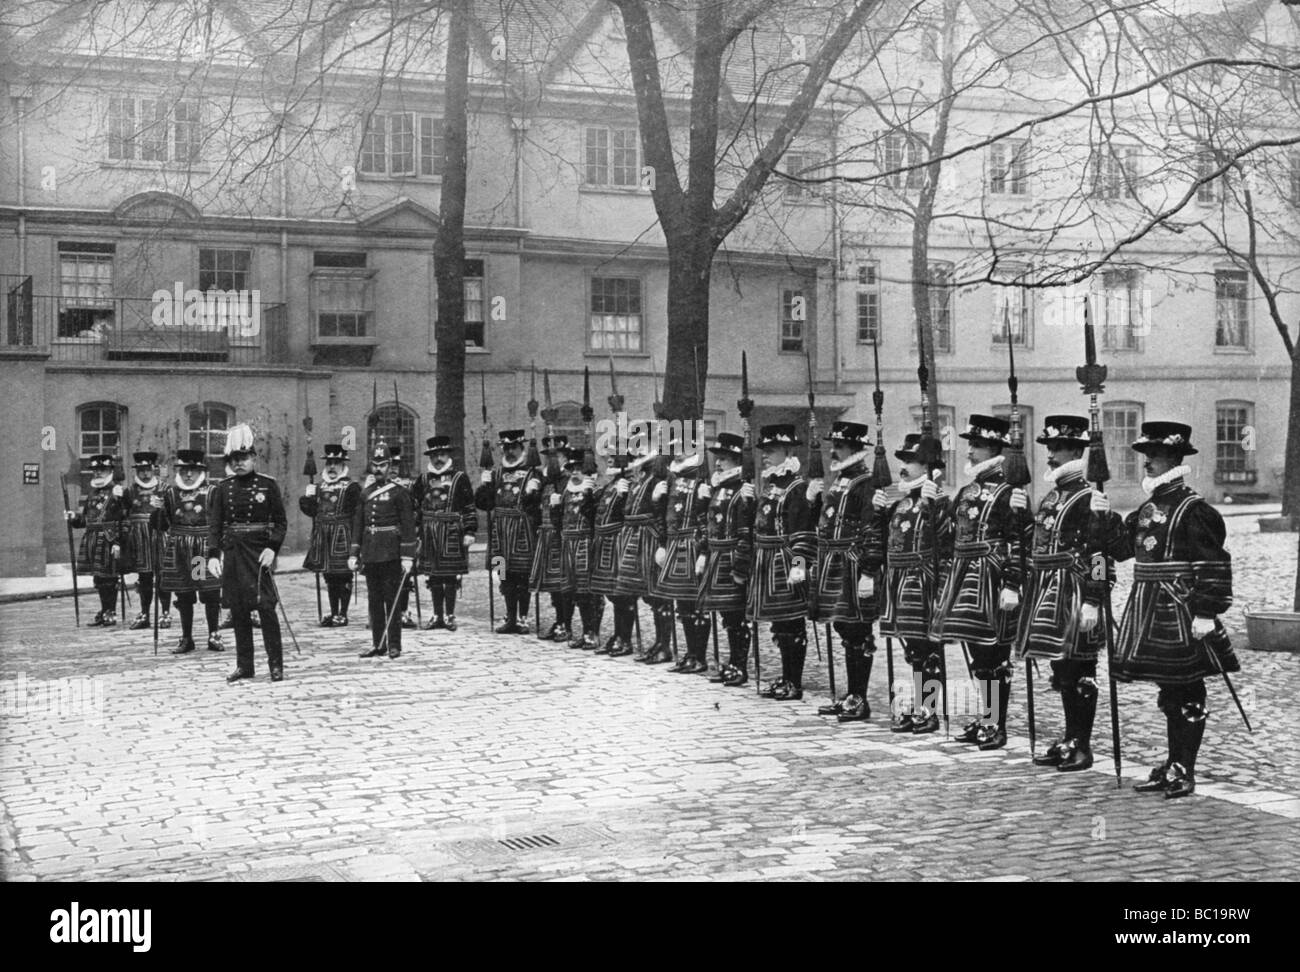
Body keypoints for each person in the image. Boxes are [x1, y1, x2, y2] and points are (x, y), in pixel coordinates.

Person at [1093, 421, 1238, 799]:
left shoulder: (1194, 510)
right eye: (1145, 455)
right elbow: (1122, 550)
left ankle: (1183, 768)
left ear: (1175, 458)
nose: (1147, 463)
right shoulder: (1148, 507)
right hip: (1148, 606)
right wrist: (1103, 517)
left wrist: (1207, 611)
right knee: (1170, 688)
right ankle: (1173, 762)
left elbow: (1213, 564)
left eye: (1155, 455)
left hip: (1179, 608)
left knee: (1187, 687)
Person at [1013, 416, 1121, 771]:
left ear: (1077, 451)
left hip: (1075, 592)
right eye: (1049, 448)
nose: (1050, 455)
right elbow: (1038, 540)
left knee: (1081, 669)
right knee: (1062, 669)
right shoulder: (1054, 495)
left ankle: (1082, 745)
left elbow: (1101, 554)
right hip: (1048, 590)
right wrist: (1020, 516)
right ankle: (1070, 738)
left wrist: (1094, 597)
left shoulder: (1089, 497)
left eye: (1057, 449)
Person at [931, 414, 1026, 750]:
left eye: (978, 446)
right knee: (975, 654)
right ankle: (985, 718)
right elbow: (946, 535)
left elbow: (1019, 542)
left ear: (995, 450)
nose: (970, 451)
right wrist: (934, 503)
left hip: (992, 579)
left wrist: (1013, 583)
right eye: (971, 444)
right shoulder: (966, 491)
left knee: (994, 654)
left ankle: (995, 725)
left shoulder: (1008, 492)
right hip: (963, 577)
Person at [875, 433, 952, 735]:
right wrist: (878, 514)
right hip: (900, 584)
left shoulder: (941, 503)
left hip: (926, 583)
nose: (904, 468)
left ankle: (929, 710)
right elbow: (885, 543)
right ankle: (922, 705)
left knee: (929, 650)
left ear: (929, 467)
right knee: (915, 651)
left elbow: (946, 547)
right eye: (904, 461)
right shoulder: (902, 504)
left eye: (912, 462)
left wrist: (943, 590)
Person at [810, 421, 883, 721]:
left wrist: (868, 570)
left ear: (854, 449)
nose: (833, 451)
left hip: (853, 564)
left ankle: (860, 697)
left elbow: (873, 529)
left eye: (839, 446)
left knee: (857, 629)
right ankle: (852, 694)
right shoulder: (840, 481)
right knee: (844, 628)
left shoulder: (866, 482)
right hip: (834, 563)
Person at [206, 424, 288, 683]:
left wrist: (272, 549)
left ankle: (276, 666)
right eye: (234, 460)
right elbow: (215, 526)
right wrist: (211, 555)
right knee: (239, 611)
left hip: (259, 554)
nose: (239, 464)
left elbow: (281, 522)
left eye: (244, 459)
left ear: (254, 458)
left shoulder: (268, 486)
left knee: (265, 609)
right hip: (233, 554)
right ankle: (245, 666)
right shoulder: (223, 488)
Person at [749, 424, 815, 701]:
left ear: (788, 452)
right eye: (764, 451)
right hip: (766, 561)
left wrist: (799, 564)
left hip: (786, 562)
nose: (765, 456)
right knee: (779, 625)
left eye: (771, 451)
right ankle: (786, 678)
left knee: (792, 623)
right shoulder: (771, 484)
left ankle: (794, 682)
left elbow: (804, 529)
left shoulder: (798, 488)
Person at [695, 433, 755, 687]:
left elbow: (746, 533)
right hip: (716, 556)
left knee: (737, 614)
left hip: (732, 558)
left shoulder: (743, 490)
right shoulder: (718, 488)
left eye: (723, 460)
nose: (717, 464)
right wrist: (703, 552)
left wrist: (741, 566)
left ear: (736, 460)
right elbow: (709, 525)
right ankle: (729, 663)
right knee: (725, 614)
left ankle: (739, 665)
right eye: (717, 459)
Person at [349, 442, 418, 659]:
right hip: (371, 554)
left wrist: (408, 556)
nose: (378, 469)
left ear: (389, 466)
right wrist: (354, 552)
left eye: (383, 465)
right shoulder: (365, 493)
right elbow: (358, 524)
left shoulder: (399, 493)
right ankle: (378, 643)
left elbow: (408, 526)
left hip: (391, 553)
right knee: (374, 601)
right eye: (375, 465)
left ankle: (395, 644)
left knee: (393, 600)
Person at [154, 449, 224, 653]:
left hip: (201, 550)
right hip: (178, 549)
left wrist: (215, 552)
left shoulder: (211, 492)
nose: (188, 475)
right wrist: (157, 511)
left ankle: (213, 635)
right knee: (184, 594)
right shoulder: (170, 493)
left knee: (209, 592)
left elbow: (218, 524)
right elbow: (162, 525)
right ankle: (187, 638)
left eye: (193, 470)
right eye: (184, 470)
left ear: (201, 471)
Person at [475, 429, 543, 634]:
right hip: (499, 532)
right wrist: (483, 486)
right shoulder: (496, 474)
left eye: (513, 447)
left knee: (522, 576)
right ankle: (510, 616)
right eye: (506, 448)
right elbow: (484, 505)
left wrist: (534, 492)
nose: (510, 451)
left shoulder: (533, 474)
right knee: (503, 574)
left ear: (522, 448)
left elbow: (538, 506)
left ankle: (522, 617)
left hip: (522, 532)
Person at [658, 434, 712, 675]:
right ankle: (690, 654)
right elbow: (664, 516)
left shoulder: (701, 480)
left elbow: (707, 522)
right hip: (674, 544)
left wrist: (704, 551)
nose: (676, 451)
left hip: (693, 545)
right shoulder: (672, 478)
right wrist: (661, 543)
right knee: (683, 604)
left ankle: (699, 656)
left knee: (697, 604)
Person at [412, 435, 477, 632]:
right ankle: (436, 614)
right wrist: (414, 531)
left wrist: (470, 530)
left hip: (452, 531)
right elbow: (414, 507)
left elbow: (469, 506)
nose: (438, 459)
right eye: (434, 455)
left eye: (441, 454)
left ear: (448, 455)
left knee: (449, 575)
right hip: (429, 532)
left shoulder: (459, 478)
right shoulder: (423, 479)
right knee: (432, 575)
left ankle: (449, 615)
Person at [614, 439, 670, 663]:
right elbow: (625, 512)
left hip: (649, 538)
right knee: (635, 590)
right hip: (632, 538)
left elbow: (665, 514)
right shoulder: (637, 480)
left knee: (656, 594)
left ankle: (664, 644)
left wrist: (663, 543)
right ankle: (655, 643)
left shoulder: (659, 479)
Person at [300, 443, 361, 626]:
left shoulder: (351, 488)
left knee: (343, 574)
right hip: (323, 535)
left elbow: (357, 513)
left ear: (343, 465)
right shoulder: (318, 486)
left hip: (342, 534)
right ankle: (333, 612)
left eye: (336, 463)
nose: (332, 467)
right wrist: (308, 500)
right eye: (329, 463)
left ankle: (343, 613)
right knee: (329, 575)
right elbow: (312, 512)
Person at [65, 454, 124, 627]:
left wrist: (118, 542)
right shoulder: (92, 494)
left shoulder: (118, 492)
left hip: (109, 539)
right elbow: (85, 520)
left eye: (103, 470)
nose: (98, 473)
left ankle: (110, 612)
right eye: (96, 470)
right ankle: (104, 609)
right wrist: (73, 517)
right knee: (99, 579)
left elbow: (124, 520)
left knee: (109, 579)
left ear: (110, 471)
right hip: (91, 539)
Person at [120, 451, 173, 630]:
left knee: (163, 575)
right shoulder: (129, 491)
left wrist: (163, 510)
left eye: (148, 469)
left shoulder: (164, 489)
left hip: (159, 535)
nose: (144, 474)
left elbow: (172, 514)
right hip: (139, 538)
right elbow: (123, 515)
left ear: (153, 469)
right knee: (144, 577)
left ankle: (165, 612)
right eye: (141, 470)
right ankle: (145, 613)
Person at [588, 452, 632, 654]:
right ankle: (617, 634)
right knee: (611, 593)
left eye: (615, 456)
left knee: (621, 594)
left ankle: (625, 638)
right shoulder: (608, 485)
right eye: (608, 457)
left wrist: (625, 497)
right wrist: (589, 494)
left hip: (618, 542)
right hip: (603, 543)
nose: (610, 460)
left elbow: (630, 515)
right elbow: (592, 513)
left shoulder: (628, 484)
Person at [557, 449, 601, 649]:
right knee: (570, 589)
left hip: (586, 543)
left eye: (579, 469)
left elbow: (595, 518)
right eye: (572, 469)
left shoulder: (593, 490)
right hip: (568, 543)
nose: (575, 473)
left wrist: (591, 497)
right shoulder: (565, 490)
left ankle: (591, 632)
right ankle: (576, 630)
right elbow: (558, 521)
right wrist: (554, 508)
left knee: (587, 591)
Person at [531, 435, 573, 642]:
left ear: (565, 457)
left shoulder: (568, 480)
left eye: (556, 456)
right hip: (546, 534)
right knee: (551, 583)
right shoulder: (543, 480)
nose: (552, 460)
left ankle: (566, 622)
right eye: (549, 456)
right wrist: (531, 494)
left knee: (563, 582)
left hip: (562, 535)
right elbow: (532, 509)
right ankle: (558, 619)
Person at [389, 442, 419, 629]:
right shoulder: (375, 485)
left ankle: (403, 611)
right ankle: (387, 611)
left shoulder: (407, 484)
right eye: (389, 465)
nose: (393, 469)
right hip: (383, 537)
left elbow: (415, 509)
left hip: (402, 535)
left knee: (404, 575)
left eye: (395, 465)